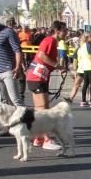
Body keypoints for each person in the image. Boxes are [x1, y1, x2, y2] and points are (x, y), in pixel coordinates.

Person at [25, 20, 67, 150]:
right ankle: (47, 140)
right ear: (57, 31)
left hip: (37, 77)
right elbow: (41, 55)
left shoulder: (53, 42)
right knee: (44, 111)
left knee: (40, 110)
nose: (66, 33)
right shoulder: (50, 41)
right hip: (38, 78)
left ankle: (39, 138)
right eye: (64, 30)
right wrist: (57, 66)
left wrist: (57, 68)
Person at [74, 31, 91, 107]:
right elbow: (90, 56)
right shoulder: (88, 45)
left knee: (85, 84)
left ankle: (83, 100)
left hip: (85, 67)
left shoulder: (82, 46)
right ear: (87, 37)